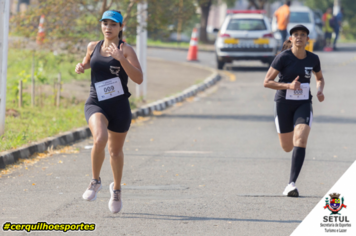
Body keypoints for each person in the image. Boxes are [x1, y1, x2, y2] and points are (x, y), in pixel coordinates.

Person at [75, 10, 143, 213]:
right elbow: (88, 62)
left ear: (120, 27)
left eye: (113, 24)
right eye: (105, 23)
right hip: (97, 102)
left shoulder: (126, 50)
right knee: (100, 138)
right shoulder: (93, 46)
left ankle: (117, 189)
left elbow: (138, 78)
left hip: (120, 107)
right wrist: (81, 67)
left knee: (115, 152)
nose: (108, 27)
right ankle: (95, 181)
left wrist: (121, 58)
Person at [263, 25, 325, 197]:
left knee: (301, 138)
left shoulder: (313, 59)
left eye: (303, 35)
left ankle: (291, 184)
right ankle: (291, 178)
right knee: (287, 146)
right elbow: (267, 82)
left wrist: (320, 90)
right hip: (283, 103)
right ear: (291, 39)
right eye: (295, 34)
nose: (299, 37)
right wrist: (288, 86)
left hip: (303, 103)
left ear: (307, 40)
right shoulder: (282, 58)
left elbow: (319, 78)